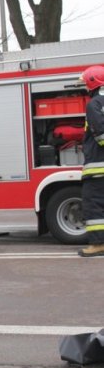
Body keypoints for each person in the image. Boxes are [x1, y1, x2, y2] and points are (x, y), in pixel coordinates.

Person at [78, 65, 104, 257]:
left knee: (93, 204)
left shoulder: (94, 104)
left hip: (98, 169)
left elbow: (100, 133)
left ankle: (98, 244)